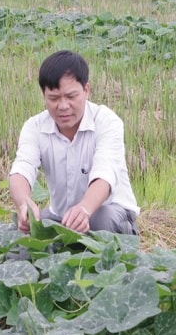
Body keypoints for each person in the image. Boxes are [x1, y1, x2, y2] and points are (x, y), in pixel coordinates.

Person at [9, 50, 139, 236]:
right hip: (62, 217)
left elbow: (105, 173)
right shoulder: (35, 127)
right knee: (25, 229)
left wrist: (84, 209)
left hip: (112, 213)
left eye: (71, 96)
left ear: (86, 90)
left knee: (100, 218)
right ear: (44, 95)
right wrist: (25, 204)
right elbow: (22, 168)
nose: (63, 106)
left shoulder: (107, 122)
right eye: (53, 98)